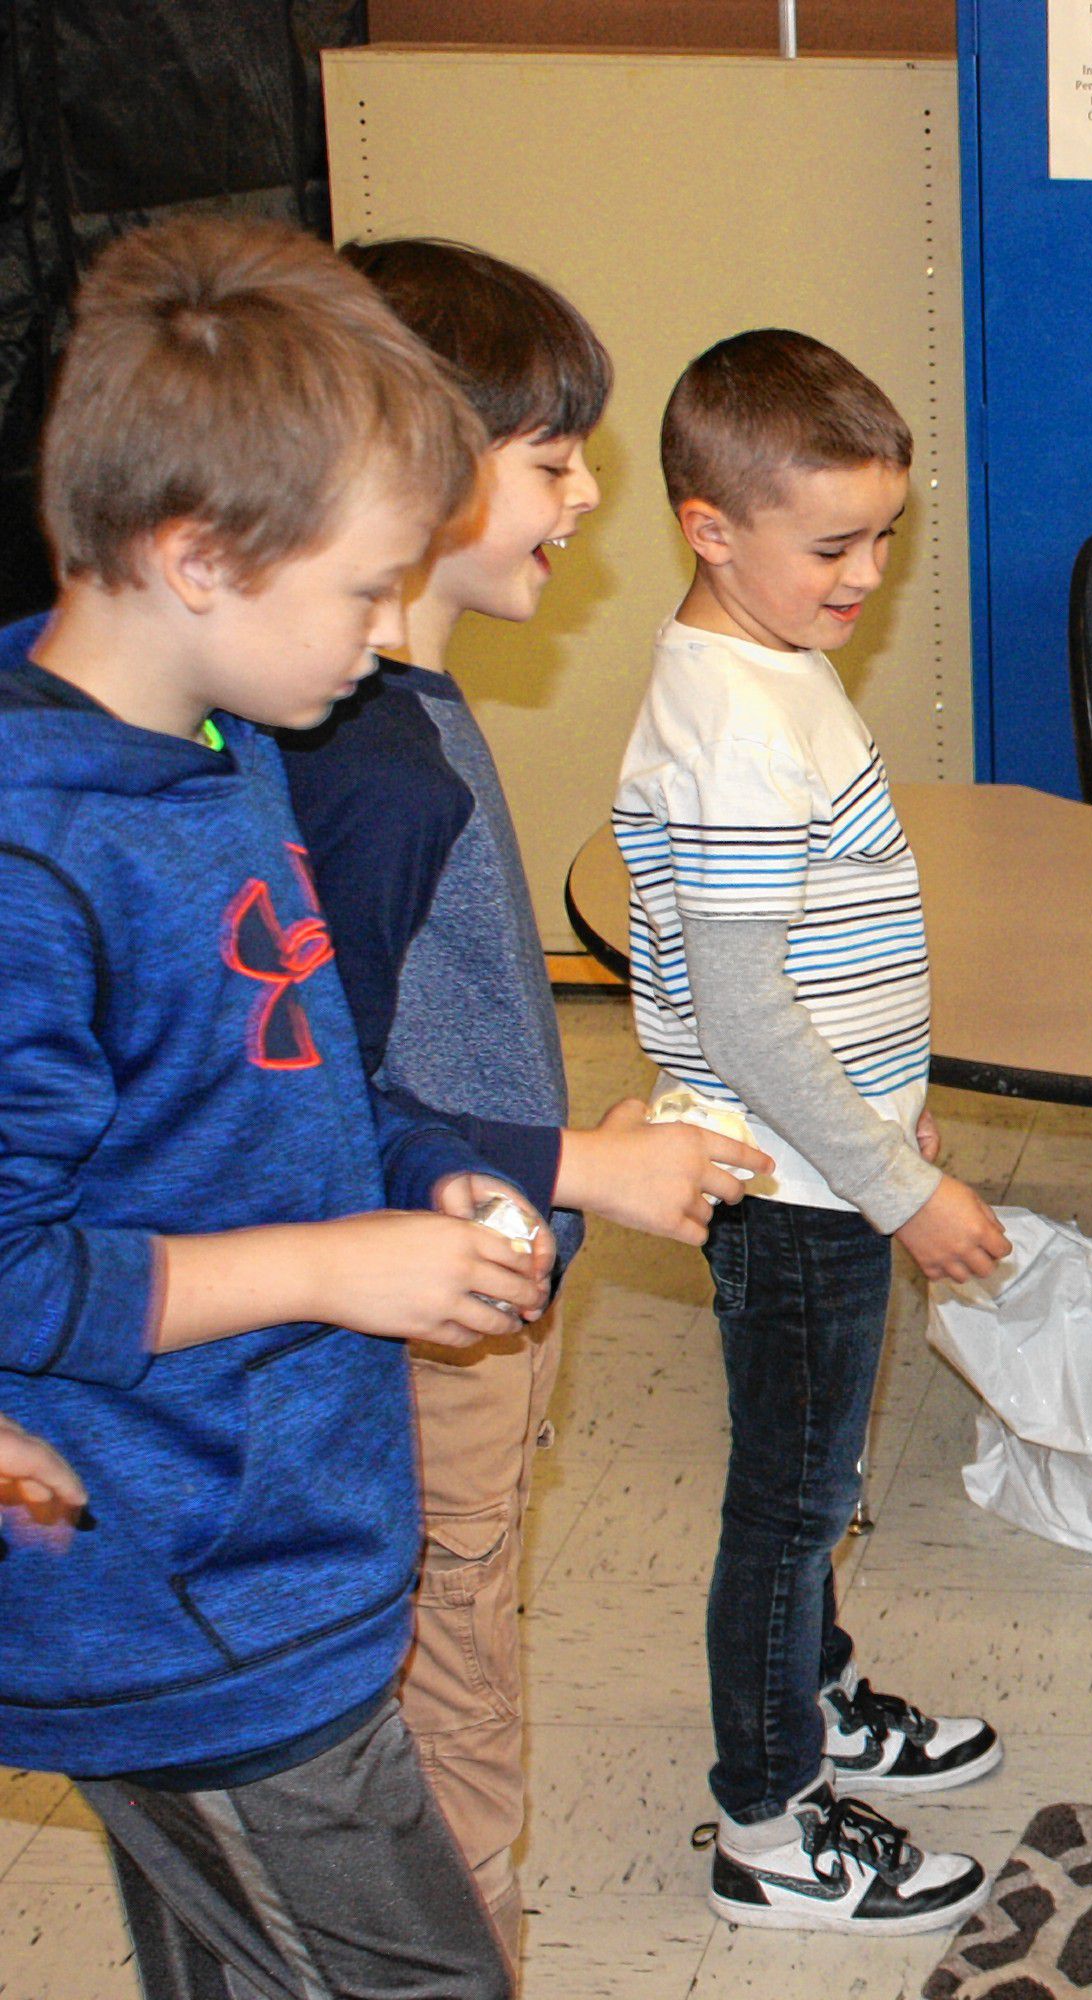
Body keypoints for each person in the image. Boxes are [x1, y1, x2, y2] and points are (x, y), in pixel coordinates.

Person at [0, 215, 550, 2000]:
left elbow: (292, 1072)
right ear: (198, 557)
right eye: (367, 590)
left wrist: (429, 1181)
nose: (396, 640)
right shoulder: (38, 857)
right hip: (179, 1600)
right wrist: (335, 1268)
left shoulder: (228, 751)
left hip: (285, 1550)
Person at [271, 237, 773, 1972]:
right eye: (551, 466)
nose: (578, 508)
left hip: (479, 1274)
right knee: (448, 1665)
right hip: (417, 1314)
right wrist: (580, 1167)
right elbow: (320, 1103)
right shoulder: (368, 765)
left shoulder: (396, 715)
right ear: (409, 460)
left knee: (459, 1630)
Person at [612, 327, 1013, 1935]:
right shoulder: (734, 725)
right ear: (712, 529)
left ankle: (819, 1694)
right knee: (788, 1499)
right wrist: (899, 1185)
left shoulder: (766, 669)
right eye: (833, 544)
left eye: (886, 538)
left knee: (811, 1471)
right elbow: (745, 1015)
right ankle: (771, 1818)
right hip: (792, 1184)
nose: (868, 574)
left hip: (819, 1162)